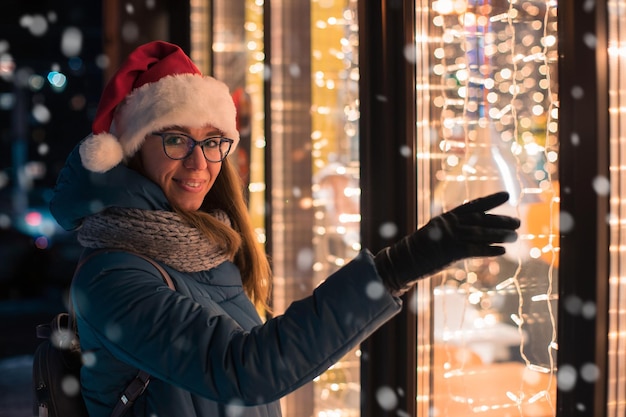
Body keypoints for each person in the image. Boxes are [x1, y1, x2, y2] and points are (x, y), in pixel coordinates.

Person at [49, 41, 521, 417]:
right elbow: (243, 369)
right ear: (132, 150)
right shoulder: (111, 275)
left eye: (213, 142)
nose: (199, 162)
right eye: (176, 140)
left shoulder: (204, 248)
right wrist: (394, 268)